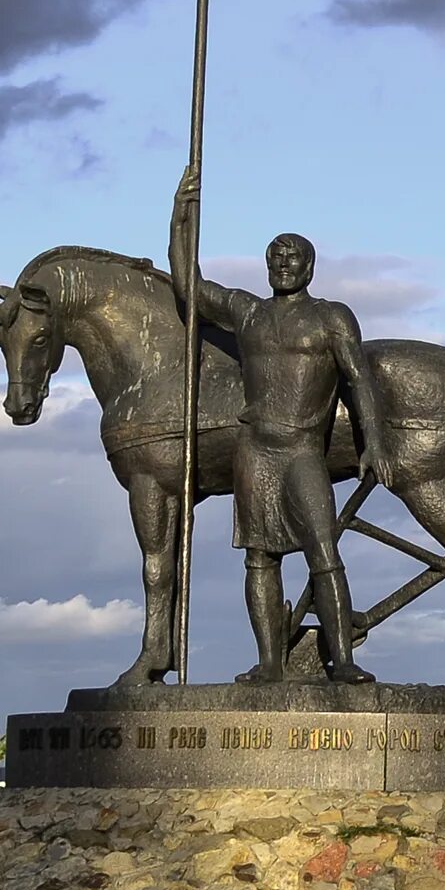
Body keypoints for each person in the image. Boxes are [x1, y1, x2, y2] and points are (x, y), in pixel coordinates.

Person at [171, 167, 394, 684]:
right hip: (255, 448)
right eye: (275, 256)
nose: (283, 263)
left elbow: (359, 380)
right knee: (259, 558)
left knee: (324, 551)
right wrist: (181, 216)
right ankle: (272, 662)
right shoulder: (247, 311)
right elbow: (188, 284)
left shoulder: (332, 317)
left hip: (300, 451)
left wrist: (373, 441)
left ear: (310, 266)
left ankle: (342, 661)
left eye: (292, 256)